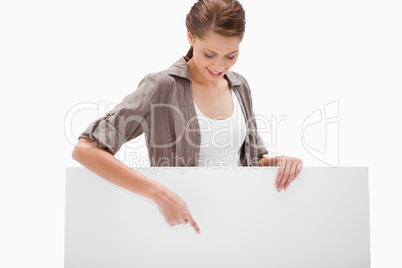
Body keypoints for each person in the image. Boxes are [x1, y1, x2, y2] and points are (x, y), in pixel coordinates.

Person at [72, 0, 303, 234]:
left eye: (231, 55)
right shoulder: (161, 86)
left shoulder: (239, 85)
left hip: (236, 223)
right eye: (209, 54)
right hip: (182, 229)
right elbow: (85, 150)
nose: (219, 65)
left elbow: (251, 162)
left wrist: (280, 162)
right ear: (190, 37)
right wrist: (158, 193)